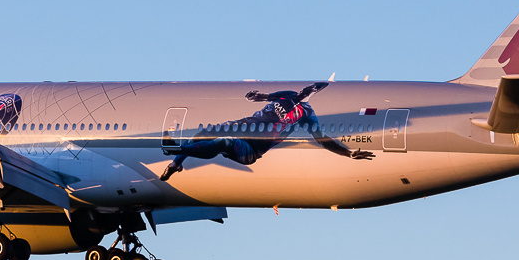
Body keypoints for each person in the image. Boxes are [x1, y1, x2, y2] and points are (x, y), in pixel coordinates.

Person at [159, 82, 374, 181]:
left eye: (310, 90)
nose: (305, 90)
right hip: (239, 126)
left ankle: (174, 149)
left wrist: (348, 153)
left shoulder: (306, 113)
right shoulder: (288, 94)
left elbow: (322, 140)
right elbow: (263, 97)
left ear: (313, 93)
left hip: (251, 147)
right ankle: (175, 165)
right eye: (306, 88)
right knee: (203, 133)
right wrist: (255, 95)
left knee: (222, 143)